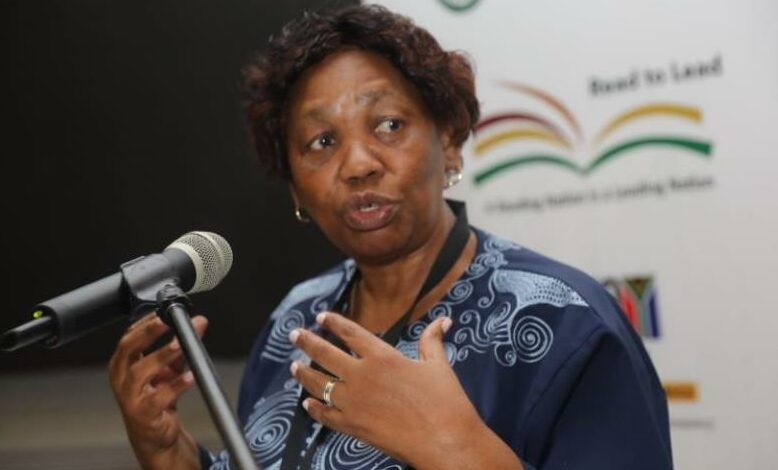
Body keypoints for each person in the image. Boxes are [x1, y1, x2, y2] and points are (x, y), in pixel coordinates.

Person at [108, 5, 673, 470]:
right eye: (321, 142)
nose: (358, 164)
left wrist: (458, 450)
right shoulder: (293, 322)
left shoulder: (566, 323)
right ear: (295, 188)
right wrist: (167, 452)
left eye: (388, 125)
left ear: (448, 141)